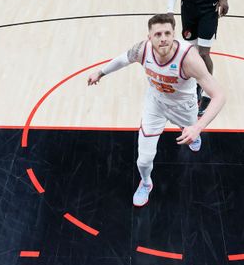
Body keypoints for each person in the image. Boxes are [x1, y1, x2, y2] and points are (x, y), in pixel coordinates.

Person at [87, 14, 225, 207]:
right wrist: (100, 72)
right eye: (158, 34)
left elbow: (219, 95)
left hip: (184, 106)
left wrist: (199, 127)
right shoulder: (142, 50)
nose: (163, 38)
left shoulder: (189, 58)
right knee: (143, 160)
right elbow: (123, 59)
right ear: (149, 37)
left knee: (190, 130)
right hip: (156, 105)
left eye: (167, 33)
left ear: (174, 34)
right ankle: (146, 183)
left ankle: (191, 129)